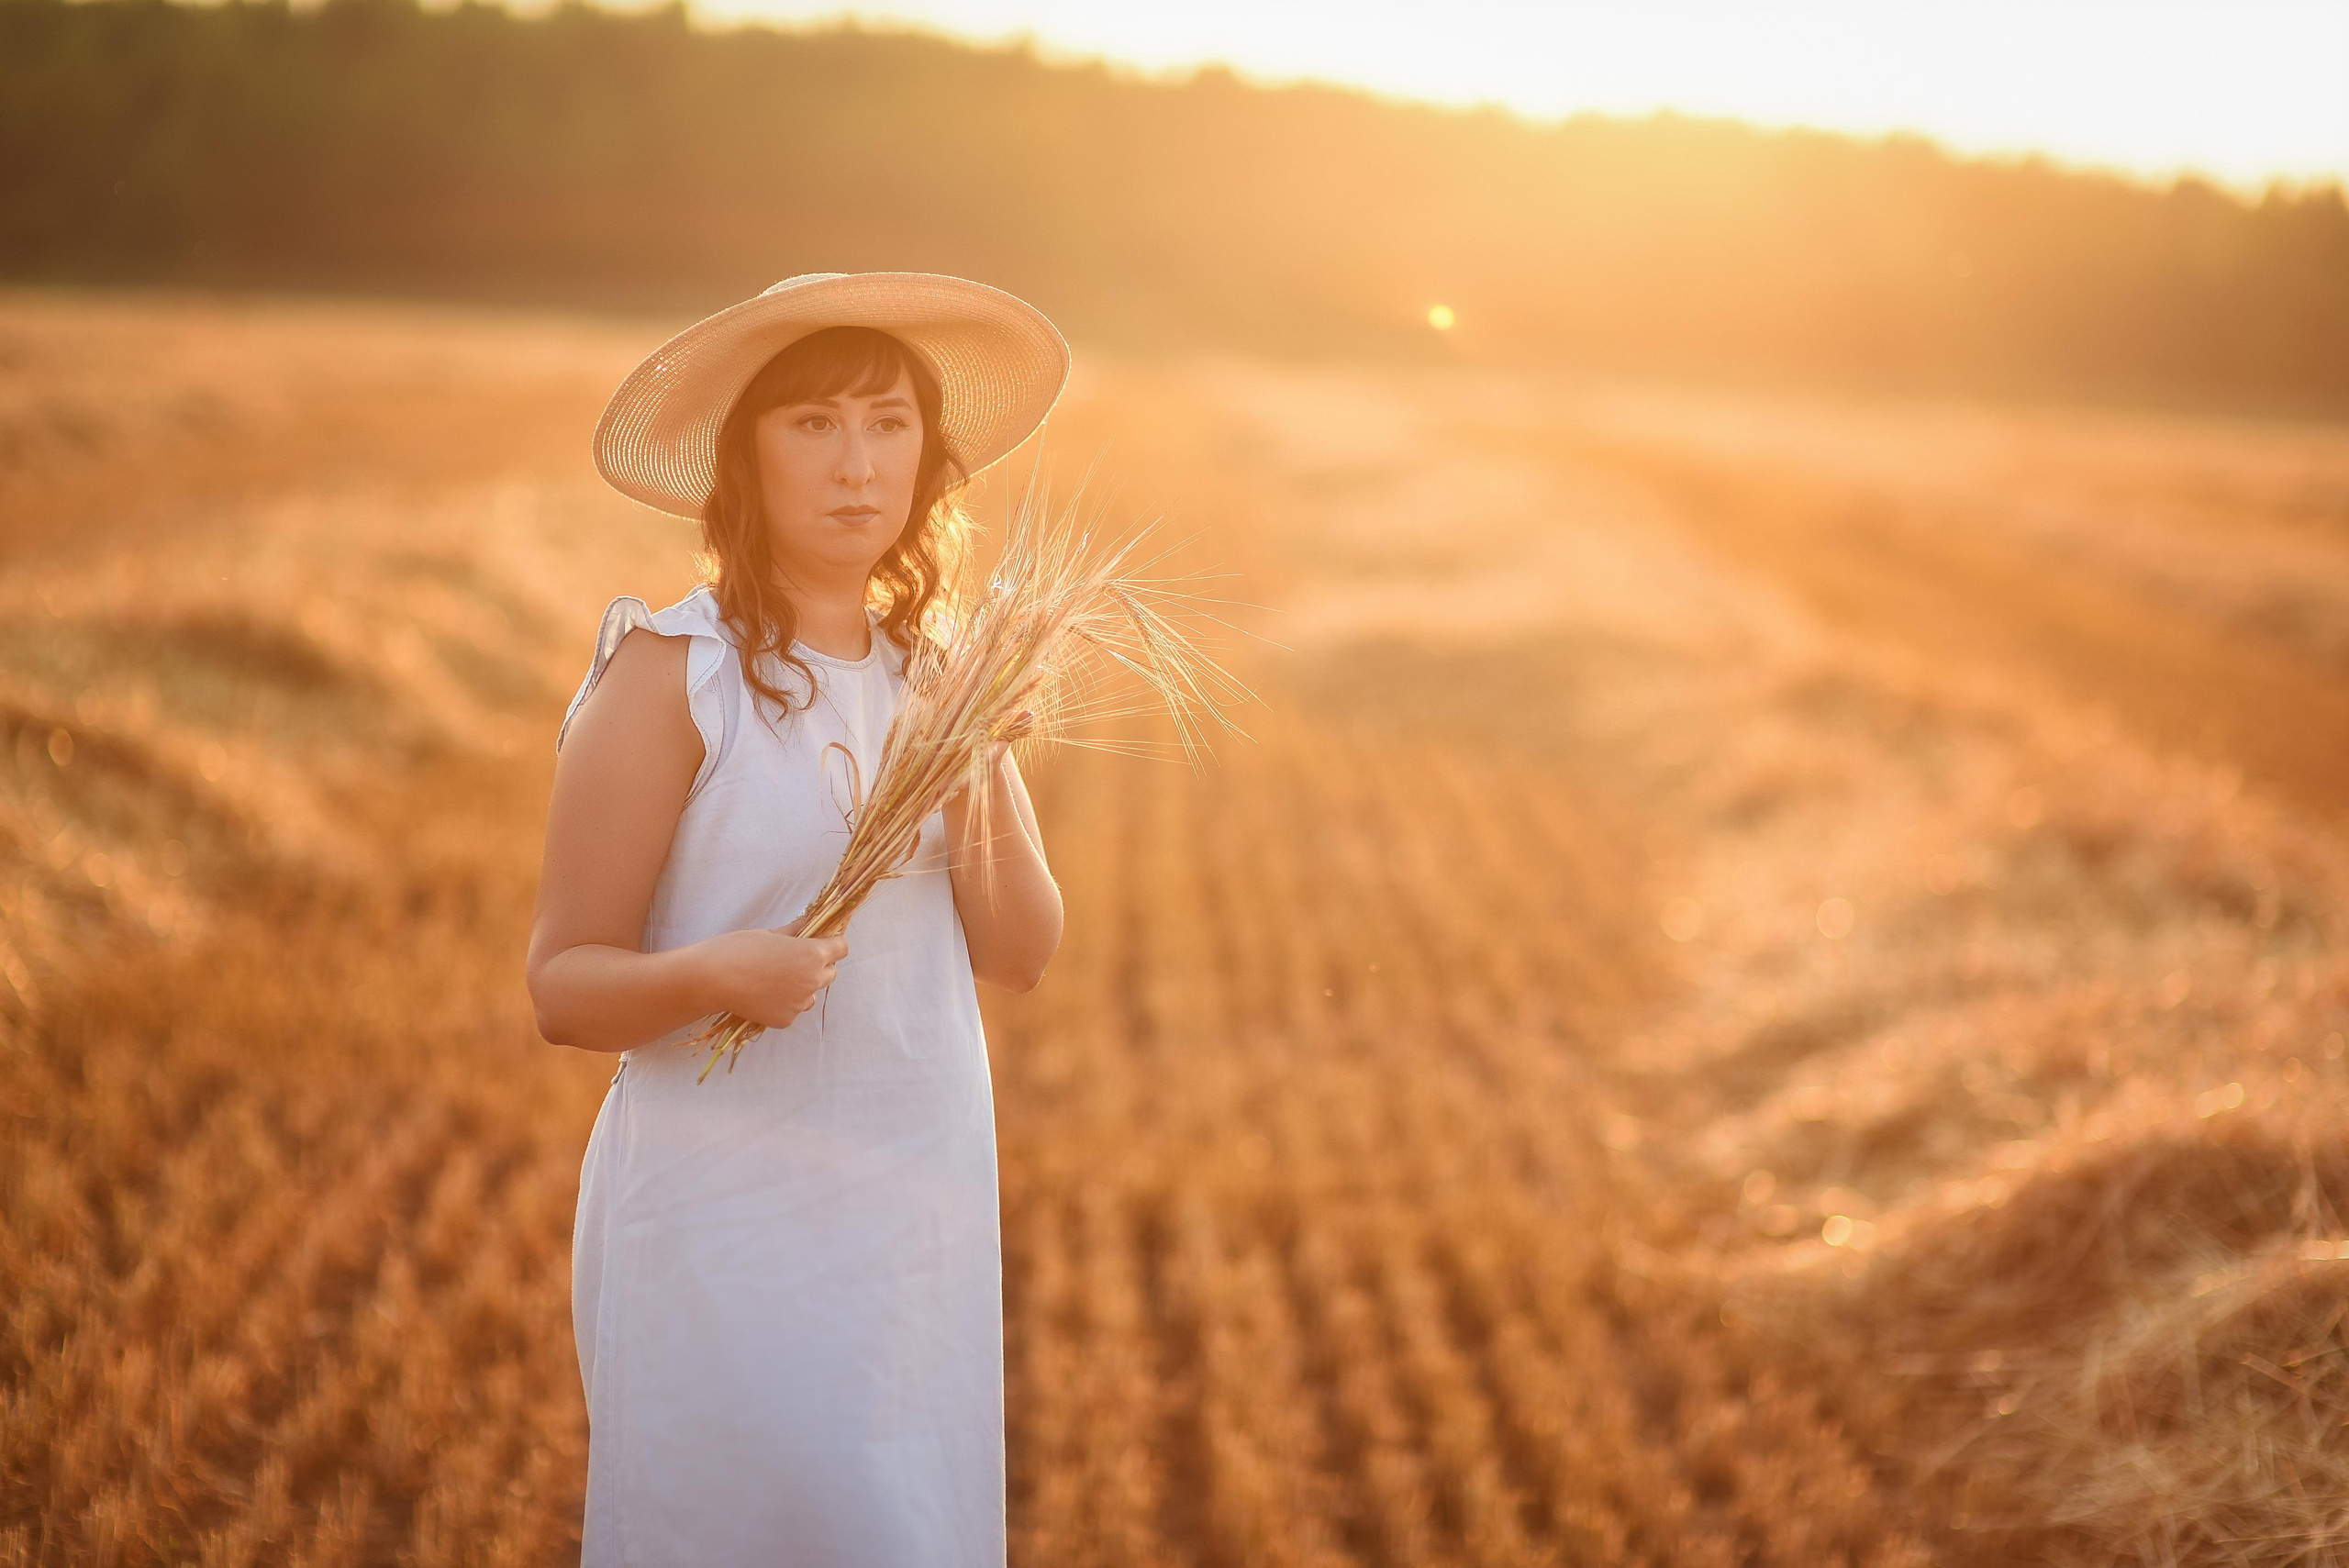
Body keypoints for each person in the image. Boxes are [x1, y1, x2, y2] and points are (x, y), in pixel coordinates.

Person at [523, 272, 1073, 1567]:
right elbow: (561, 985)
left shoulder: (939, 679)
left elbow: (1025, 948)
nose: (857, 466)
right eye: (813, 425)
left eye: (888, 425)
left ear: (928, 462)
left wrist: (972, 753)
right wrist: (715, 971)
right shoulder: (668, 674)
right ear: (743, 458)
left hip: (911, 1204)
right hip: (722, 1215)